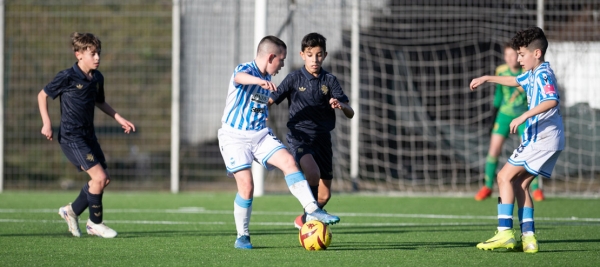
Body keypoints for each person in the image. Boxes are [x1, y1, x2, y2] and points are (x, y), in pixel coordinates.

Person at [217, 35, 340, 250]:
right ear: (271, 57)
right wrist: (259, 82)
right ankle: (242, 236)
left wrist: (261, 109)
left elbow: (257, 106)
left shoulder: (269, 84)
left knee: (289, 163)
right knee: (247, 186)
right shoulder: (246, 69)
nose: (282, 65)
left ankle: (312, 209)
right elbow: (239, 78)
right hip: (234, 137)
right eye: (281, 60)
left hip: (259, 134)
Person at [469, 27, 564, 253]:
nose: (518, 58)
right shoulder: (533, 73)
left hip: (540, 137)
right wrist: (487, 78)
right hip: (550, 140)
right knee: (520, 185)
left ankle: (504, 233)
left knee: (503, 176)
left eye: (522, 54)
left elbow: (551, 100)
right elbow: (514, 80)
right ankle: (529, 239)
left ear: (537, 53)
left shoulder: (543, 74)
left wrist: (524, 115)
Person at [38, 32, 136, 238]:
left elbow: (99, 102)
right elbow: (42, 95)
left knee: (104, 179)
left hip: (88, 136)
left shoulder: (98, 78)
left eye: (98, 53)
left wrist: (119, 118)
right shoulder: (67, 76)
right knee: (99, 177)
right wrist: (47, 123)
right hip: (71, 137)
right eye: (93, 54)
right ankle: (95, 223)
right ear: (79, 54)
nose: (98, 58)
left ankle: (70, 211)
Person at [269, 32, 354, 229]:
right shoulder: (293, 79)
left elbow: (350, 112)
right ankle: (313, 219)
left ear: (324, 55)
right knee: (312, 173)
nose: (314, 59)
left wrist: (341, 105)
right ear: (302, 55)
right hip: (300, 137)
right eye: (309, 54)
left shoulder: (330, 81)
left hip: (323, 139)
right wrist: (257, 108)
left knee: (325, 195)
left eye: (318, 54)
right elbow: (272, 99)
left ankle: (304, 218)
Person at [474, 43, 545, 202]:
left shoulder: (527, 71)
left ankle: (536, 189)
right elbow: (499, 93)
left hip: (523, 117)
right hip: (504, 116)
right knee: (494, 150)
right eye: (507, 55)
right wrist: (493, 115)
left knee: (529, 152)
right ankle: (487, 186)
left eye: (514, 55)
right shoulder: (500, 71)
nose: (511, 58)